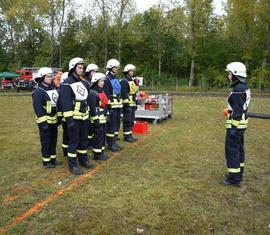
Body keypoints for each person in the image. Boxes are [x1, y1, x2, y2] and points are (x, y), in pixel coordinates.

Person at [60, 57, 94, 175]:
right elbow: (65, 104)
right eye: (79, 67)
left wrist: (89, 116)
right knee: (73, 142)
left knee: (83, 141)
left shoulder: (84, 82)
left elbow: (87, 100)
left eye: (82, 67)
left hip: (84, 118)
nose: (81, 69)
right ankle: (73, 165)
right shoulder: (66, 84)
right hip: (74, 119)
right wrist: (70, 121)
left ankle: (83, 160)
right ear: (73, 68)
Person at [223, 62, 251, 187]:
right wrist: (229, 110)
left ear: (235, 74)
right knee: (239, 149)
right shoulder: (243, 87)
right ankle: (238, 174)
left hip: (236, 126)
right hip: (241, 125)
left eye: (230, 73)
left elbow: (238, 111)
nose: (228, 76)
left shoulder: (238, 90)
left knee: (232, 150)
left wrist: (233, 127)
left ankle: (234, 179)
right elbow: (238, 108)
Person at [32, 67, 62, 168]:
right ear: (42, 77)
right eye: (48, 76)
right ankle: (46, 160)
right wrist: (43, 123)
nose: (50, 78)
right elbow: (38, 109)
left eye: (51, 76)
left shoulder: (52, 88)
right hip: (45, 122)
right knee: (46, 141)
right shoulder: (38, 91)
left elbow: (56, 104)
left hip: (54, 120)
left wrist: (58, 117)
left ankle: (53, 158)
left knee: (53, 140)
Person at [103, 59, 123, 152]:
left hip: (117, 105)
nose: (117, 69)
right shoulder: (107, 79)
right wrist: (108, 108)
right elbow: (106, 95)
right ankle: (110, 144)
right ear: (111, 67)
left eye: (117, 67)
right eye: (115, 67)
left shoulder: (115, 77)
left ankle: (114, 142)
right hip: (112, 106)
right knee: (111, 126)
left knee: (116, 125)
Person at [88, 72, 109, 160]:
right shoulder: (92, 93)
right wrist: (95, 119)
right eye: (101, 81)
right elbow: (92, 108)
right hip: (97, 120)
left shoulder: (102, 91)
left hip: (103, 119)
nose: (102, 83)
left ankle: (101, 152)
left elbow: (106, 104)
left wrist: (107, 114)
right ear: (96, 81)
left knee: (102, 136)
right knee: (97, 137)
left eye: (103, 81)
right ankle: (97, 155)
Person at [121, 64, 139, 142]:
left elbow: (134, 92)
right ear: (127, 71)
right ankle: (126, 136)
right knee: (127, 120)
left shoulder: (131, 80)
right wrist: (126, 105)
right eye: (131, 71)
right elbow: (124, 94)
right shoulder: (124, 81)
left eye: (132, 71)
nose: (132, 72)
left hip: (132, 104)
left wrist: (135, 103)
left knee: (131, 120)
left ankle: (130, 135)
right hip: (127, 104)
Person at [85, 63, 99, 148]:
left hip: (95, 104)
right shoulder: (86, 82)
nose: (95, 73)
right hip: (88, 104)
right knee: (89, 125)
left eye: (96, 71)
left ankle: (92, 141)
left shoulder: (95, 81)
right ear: (89, 72)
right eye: (93, 71)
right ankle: (88, 143)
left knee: (93, 124)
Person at [58, 72, 69, 156]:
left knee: (67, 134)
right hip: (65, 117)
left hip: (66, 116)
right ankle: (65, 151)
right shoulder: (61, 90)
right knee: (67, 134)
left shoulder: (61, 89)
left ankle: (66, 150)